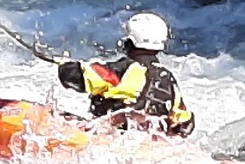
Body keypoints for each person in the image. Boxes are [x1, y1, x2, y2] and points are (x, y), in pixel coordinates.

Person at [57, 12, 195, 137]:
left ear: (129, 42)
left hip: (111, 140)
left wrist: (65, 66)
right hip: (146, 144)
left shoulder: (125, 70)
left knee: (46, 114)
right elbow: (185, 123)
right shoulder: (169, 80)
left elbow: (74, 77)